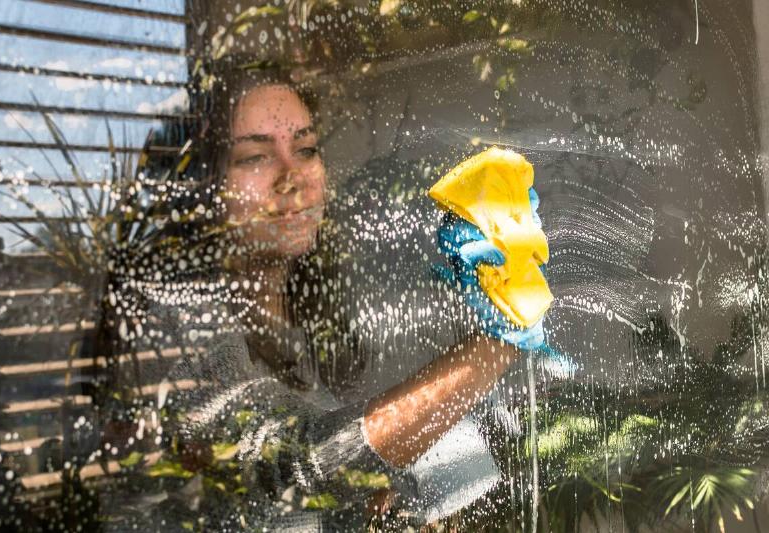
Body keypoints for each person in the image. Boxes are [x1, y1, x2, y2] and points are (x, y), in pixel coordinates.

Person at [129, 65, 548, 531]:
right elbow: (297, 464)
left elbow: (324, 474)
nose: (292, 176)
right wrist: (498, 341)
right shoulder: (174, 318)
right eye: (254, 157)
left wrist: (385, 487)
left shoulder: (302, 315)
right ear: (204, 185)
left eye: (306, 149)